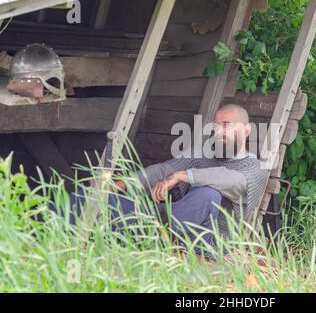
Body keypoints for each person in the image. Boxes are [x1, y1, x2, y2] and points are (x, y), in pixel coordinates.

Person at [53, 104, 268, 255]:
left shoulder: (253, 168)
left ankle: (155, 231)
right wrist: (118, 185)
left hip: (207, 242)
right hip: (163, 220)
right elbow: (163, 169)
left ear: (246, 131)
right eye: (216, 125)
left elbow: (230, 179)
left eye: (226, 125)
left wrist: (183, 176)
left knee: (208, 192)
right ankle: (41, 228)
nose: (218, 130)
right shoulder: (203, 154)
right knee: (90, 199)